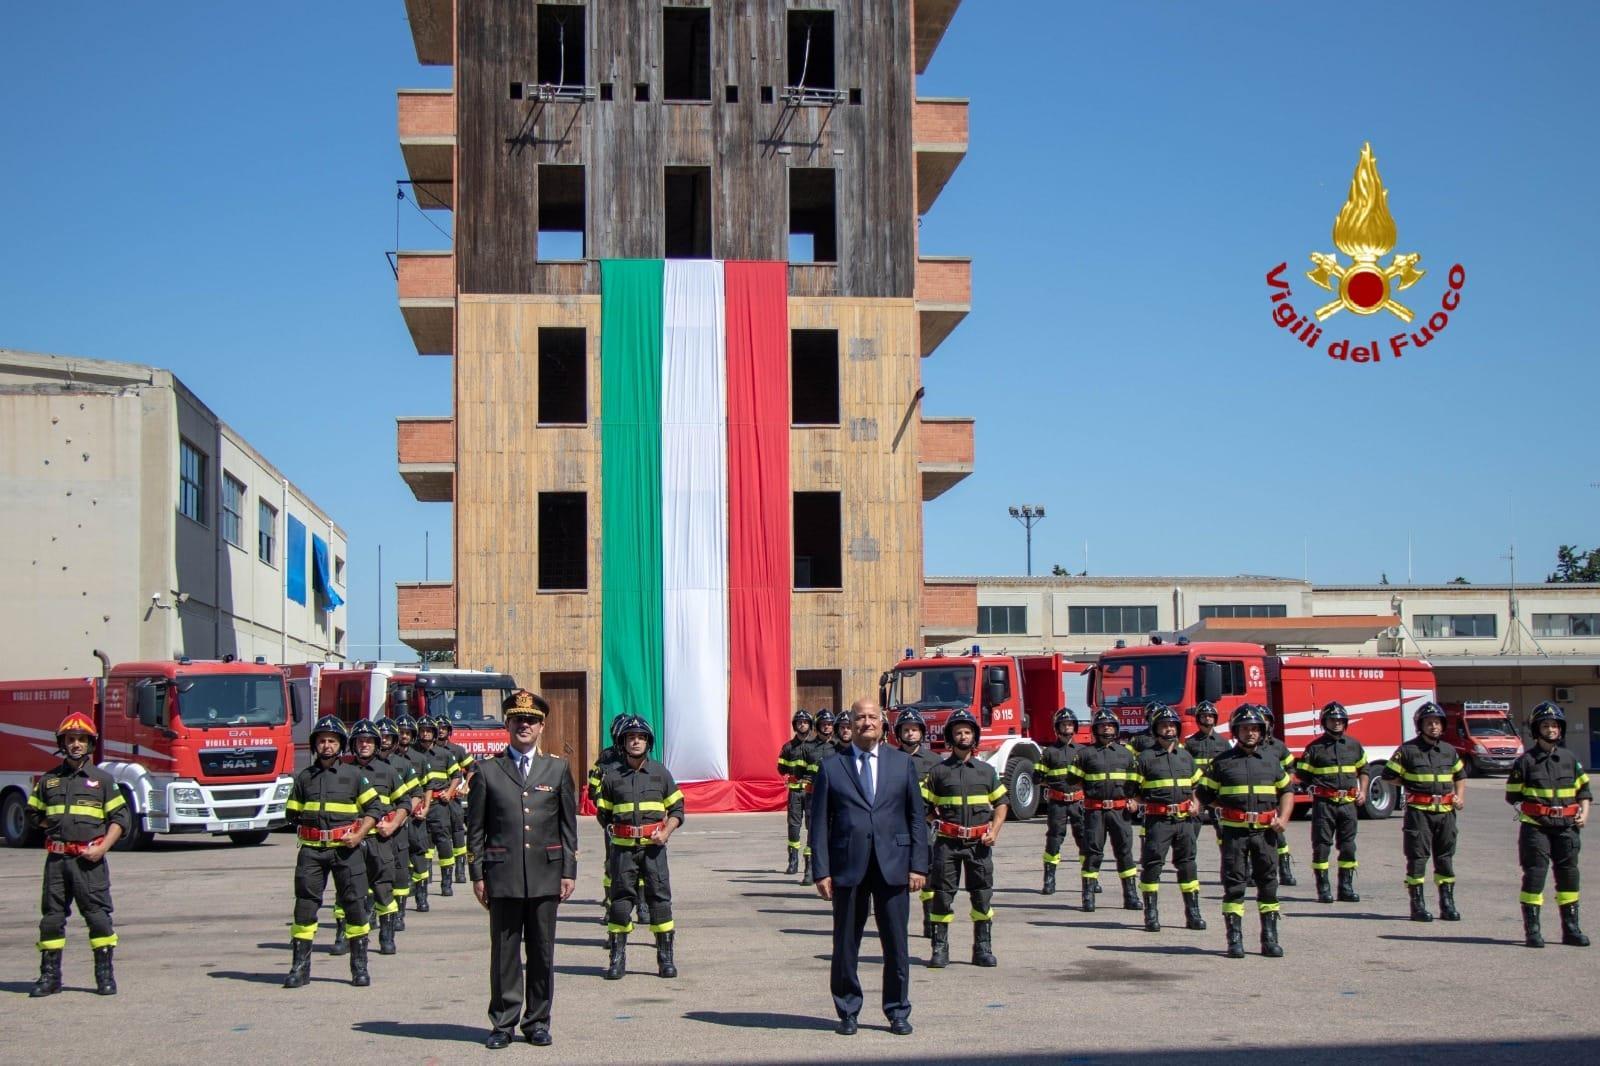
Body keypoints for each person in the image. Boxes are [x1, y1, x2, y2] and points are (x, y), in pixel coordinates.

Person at [810, 698, 929, 1037]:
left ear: (882, 722)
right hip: (848, 867)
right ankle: (848, 1009)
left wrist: (918, 865)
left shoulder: (902, 763)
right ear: (850, 723)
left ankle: (897, 1010)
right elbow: (818, 823)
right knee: (846, 944)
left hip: (894, 865)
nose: (866, 723)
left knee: (896, 944)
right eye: (859, 717)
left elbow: (916, 818)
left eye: (872, 717)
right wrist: (821, 870)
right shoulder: (832, 766)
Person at [468, 690, 577, 1049]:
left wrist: (568, 871)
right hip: (502, 875)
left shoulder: (557, 769)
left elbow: (566, 827)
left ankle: (537, 1022)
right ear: (507, 725)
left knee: (543, 953)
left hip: (546, 875)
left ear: (542, 726)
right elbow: (476, 829)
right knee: (504, 953)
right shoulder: (487, 771)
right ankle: (503, 1022)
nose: (524, 725)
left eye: (531, 720)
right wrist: (478, 875)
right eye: (517, 719)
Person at [27, 711, 131, 997]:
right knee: (51, 919)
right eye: (70, 739)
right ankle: (49, 977)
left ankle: (104, 975)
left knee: (98, 917)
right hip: (57, 862)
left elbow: (121, 819)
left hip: (89, 863)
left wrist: (103, 848)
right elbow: (32, 813)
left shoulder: (103, 780)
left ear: (90, 743)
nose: (75, 744)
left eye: (81, 739)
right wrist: (56, 826)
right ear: (62, 743)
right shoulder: (48, 781)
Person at [283, 716, 384, 988]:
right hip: (312, 852)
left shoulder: (353, 776)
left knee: (354, 905)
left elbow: (375, 808)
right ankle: (299, 969)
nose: (327, 746)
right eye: (322, 740)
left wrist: (360, 833)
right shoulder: (304, 778)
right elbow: (291, 813)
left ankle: (359, 968)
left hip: (346, 851)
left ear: (340, 745)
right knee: (304, 906)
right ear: (315, 744)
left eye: (332, 741)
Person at [1195, 704, 1293, 959]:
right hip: (1234, 835)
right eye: (1245, 729)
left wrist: (1283, 818)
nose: (1250, 733)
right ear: (1236, 732)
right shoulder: (1222, 763)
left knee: (1268, 885)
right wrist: (1228, 809)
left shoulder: (1272, 762)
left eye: (1254, 729)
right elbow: (1204, 794)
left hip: (1265, 834)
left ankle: (1269, 939)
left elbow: (1287, 792)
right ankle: (1234, 940)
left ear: (1262, 732)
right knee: (1234, 886)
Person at [597, 715, 685, 981]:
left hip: (654, 850)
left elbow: (678, 809)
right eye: (631, 737)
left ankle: (665, 958)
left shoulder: (661, 773)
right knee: (620, 903)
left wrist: (666, 831)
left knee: (660, 901)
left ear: (648, 742)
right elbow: (604, 814)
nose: (636, 741)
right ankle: (617, 958)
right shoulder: (611, 777)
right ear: (623, 742)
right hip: (623, 852)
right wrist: (619, 833)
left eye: (641, 737)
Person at [922, 708, 1007, 967]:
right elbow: (923, 807)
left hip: (979, 846)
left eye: (967, 732)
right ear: (950, 737)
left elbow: (1002, 803)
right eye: (958, 732)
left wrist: (994, 831)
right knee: (942, 896)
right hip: (947, 845)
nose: (963, 736)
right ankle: (940, 949)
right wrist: (937, 824)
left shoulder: (986, 771)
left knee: (982, 896)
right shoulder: (938, 772)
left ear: (974, 736)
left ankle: (982, 948)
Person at [1505, 701, 1591, 948]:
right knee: (1535, 875)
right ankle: (1533, 930)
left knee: (1569, 876)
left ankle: (1571, 929)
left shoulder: (1570, 759)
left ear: (1560, 729)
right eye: (1546, 725)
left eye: (1555, 725)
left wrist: (1584, 814)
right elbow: (1512, 795)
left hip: (1567, 828)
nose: (1551, 729)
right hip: (1536, 828)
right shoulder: (1525, 762)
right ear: (1536, 729)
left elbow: (1584, 790)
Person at [1382, 701, 1467, 922]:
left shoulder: (1449, 751)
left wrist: (1459, 797)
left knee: (1445, 858)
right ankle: (1417, 905)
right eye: (1429, 723)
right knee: (1417, 858)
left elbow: (1460, 776)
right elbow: (1388, 775)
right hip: (1419, 812)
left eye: (1437, 723)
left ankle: (1447, 904)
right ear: (1421, 725)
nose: (1433, 727)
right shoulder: (1407, 750)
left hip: (1446, 813)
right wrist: (1410, 785)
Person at [1134, 705, 1205, 933]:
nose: (1169, 729)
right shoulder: (1145, 758)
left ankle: (1193, 913)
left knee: (1188, 865)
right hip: (1158, 821)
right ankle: (1151, 914)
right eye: (1164, 725)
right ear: (1156, 729)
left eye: (1172, 725)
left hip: (1184, 821)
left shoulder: (1185, 756)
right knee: (1153, 865)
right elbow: (1132, 789)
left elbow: (1196, 785)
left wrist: (1196, 803)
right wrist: (1144, 803)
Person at [1294, 701, 1368, 904]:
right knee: (1322, 847)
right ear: (1324, 722)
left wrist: (1363, 791)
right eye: (1332, 720)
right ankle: (1323, 889)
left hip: (1348, 805)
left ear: (1345, 722)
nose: (1336, 723)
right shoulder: (1314, 748)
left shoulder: (1354, 745)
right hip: (1324, 805)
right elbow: (1302, 774)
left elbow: (1364, 770)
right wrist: (1317, 789)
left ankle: (1346, 887)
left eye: (1339, 720)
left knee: (1348, 847)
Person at [343, 720, 406, 956]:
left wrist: (392, 825)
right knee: (348, 891)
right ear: (353, 744)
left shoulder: (388, 771)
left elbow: (405, 802)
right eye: (360, 741)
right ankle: (343, 935)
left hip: (379, 842)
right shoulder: (343, 771)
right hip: (350, 843)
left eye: (369, 741)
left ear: (377, 744)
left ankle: (386, 936)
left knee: (383, 889)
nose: (365, 745)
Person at [1070, 709, 1141, 913]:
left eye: (1110, 725)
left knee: (1125, 853)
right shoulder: (1084, 754)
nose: (1107, 728)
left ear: (1116, 729)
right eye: (1103, 725)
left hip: (1120, 813)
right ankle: (1088, 897)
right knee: (1092, 853)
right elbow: (1072, 780)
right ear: (1095, 729)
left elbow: (1136, 783)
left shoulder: (1126, 754)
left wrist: (1134, 800)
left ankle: (1131, 896)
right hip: (1095, 812)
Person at [893, 709, 941, 932]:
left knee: (928, 870)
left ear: (921, 733)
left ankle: (929, 918)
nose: (910, 734)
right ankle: (897, 920)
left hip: (924, 823)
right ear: (899, 733)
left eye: (914, 730)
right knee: (896, 871)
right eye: (906, 730)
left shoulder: (934, 762)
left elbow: (941, 792)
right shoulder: (889, 759)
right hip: (895, 826)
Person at [1035, 708, 1086, 897]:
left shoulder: (1083, 751)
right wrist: (1053, 786)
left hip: (1079, 803)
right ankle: (1049, 879)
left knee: (1084, 839)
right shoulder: (1049, 752)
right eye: (1064, 724)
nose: (1067, 727)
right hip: (1057, 804)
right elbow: (1037, 776)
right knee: (1054, 839)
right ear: (1057, 728)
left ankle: (1090, 879)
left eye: (1070, 724)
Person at [376, 718, 420, 932]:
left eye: (387, 737)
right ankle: (371, 912)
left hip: (398, 828)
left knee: (400, 871)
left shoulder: (403, 765)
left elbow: (416, 795)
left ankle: (399, 914)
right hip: (371, 830)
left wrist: (399, 819)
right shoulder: (361, 766)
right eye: (381, 736)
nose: (384, 741)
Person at [588, 715, 633, 922]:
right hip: (613, 822)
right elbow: (592, 789)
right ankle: (611, 906)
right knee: (612, 865)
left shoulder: (639, 757)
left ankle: (642, 905)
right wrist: (604, 805)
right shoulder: (606, 757)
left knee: (642, 865)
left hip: (639, 820)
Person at [414, 715, 461, 897]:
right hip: (419, 805)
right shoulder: (413, 754)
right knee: (421, 842)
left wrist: (449, 792)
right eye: (422, 731)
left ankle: (447, 882)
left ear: (434, 734)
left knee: (443, 841)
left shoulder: (445, 754)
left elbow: (456, 775)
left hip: (439, 806)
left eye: (428, 731)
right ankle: (422, 883)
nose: (425, 734)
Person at [392, 714, 434, 915]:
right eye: (401, 732)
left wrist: (425, 808)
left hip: (415, 816)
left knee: (418, 855)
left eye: (408, 733)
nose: (404, 736)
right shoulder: (388, 760)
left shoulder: (420, 758)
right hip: (394, 817)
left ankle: (421, 895)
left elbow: (427, 786)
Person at [1258, 708, 1297, 887]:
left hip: (1276, 797)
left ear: (1271, 723)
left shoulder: (1278, 746)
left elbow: (1290, 767)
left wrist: (1285, 784)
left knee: (1279, 836)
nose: (1263, 722)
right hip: (1256, 798)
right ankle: (1254, 872)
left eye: (1266, 720)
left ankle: (1285, 869)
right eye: (1260, 720)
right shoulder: (1250, 745)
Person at [1184, 701, 1230, 849]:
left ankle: (1228, 860)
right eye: (1204, 716)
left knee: (1222, 828)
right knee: (1192, 828)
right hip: (1197, 791)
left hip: (1216, 791)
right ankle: (1188, 860)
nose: (1208, 718)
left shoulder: (1223, 742)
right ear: (1198, 719)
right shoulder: (1190, 743)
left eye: (1211, 715)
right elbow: (1185, 767)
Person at [779, 710, 818, 875]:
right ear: (795, 725)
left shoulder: (815, 746)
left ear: (810, 724)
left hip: (810, 793)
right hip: (795, 793)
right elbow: (781, 768)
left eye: (805, 722)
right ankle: (793, 861)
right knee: (794, 826)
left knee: (812, 826)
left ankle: (809, 863)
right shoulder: (788, 747)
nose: (802, 724)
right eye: (799, 722)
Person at [437, 717, 475, 885]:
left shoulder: (457, 750)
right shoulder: (426, 753)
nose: (441, 730)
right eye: (438, 728)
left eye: (444, 728)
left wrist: (466, 785)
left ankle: (460, 871)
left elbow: (472, 767)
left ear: (449, 731)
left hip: (453, 801)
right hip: (435, 804)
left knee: (458, 833)